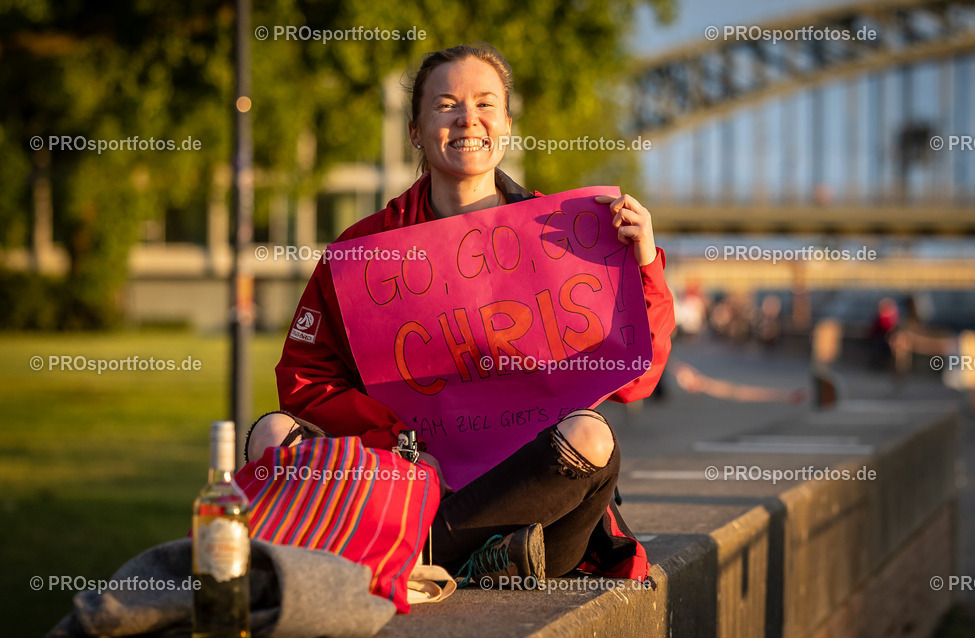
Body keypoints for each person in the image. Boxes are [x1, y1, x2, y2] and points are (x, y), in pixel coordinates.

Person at [253, 44, 675, 587]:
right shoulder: (363, 249)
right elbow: (305, 379)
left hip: (526, 496)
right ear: (415, 131)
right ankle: (475, 558)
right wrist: (397, 442)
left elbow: (636, 381)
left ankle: (408, 554)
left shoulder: (573, 234)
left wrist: (644, 265)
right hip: (405, 478)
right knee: (274, 433)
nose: (467, 119)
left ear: (507, 124)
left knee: (593, 438)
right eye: (446, 105)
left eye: (485, 104)